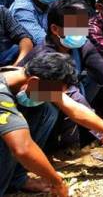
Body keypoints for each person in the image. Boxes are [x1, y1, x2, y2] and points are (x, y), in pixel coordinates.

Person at [20, 0, 103, 154]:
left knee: (91, 79)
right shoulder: (45, 57)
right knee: (51, 107)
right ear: (55, 29)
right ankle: (41, 150)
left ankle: (73, 138)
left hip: (63, 99)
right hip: (30, 109)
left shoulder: (82, 45)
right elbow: (71, 97)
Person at [0, 53, 75, 196]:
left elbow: (75, 110)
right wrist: (57, 182)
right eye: (53, 92)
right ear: (34, 81)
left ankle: (17, 179)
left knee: (47, 110)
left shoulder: (21, 73)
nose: (53, 96)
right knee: (14, 137)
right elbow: (23, 148)